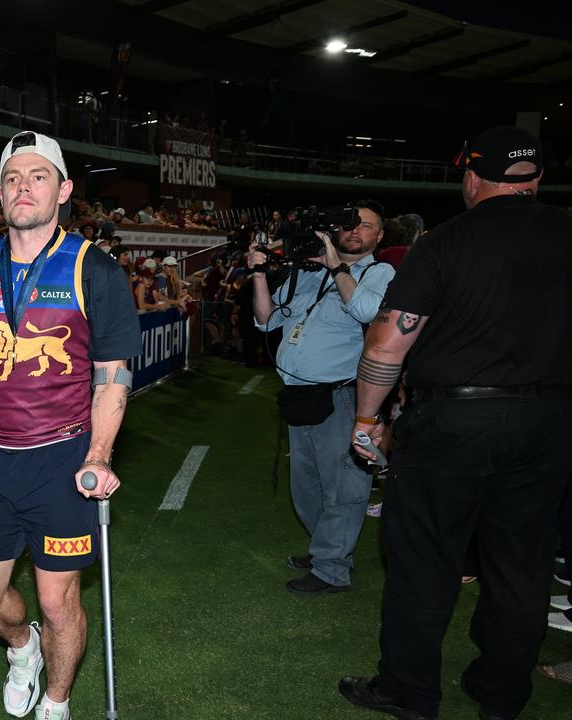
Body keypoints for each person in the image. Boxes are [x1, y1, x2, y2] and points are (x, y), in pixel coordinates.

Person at [339, 127, 572, 720]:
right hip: (548, 421)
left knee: (425, 561)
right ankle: (502, 692)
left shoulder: (444, 242)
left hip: (454, 421)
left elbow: (388, 345)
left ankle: (408, 690)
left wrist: (368, 416)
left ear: (471, 178)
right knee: (523, 563)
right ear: (536, 178)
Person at [0, 131, 140, 720]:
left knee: (58, 599)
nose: (25, 187)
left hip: (62, 462)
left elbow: (113, 377)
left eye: (39, 176)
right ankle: (24, 648)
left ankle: (58, 702)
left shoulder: (94, 269)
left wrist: (98, 455)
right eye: (14, 178)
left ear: (63, 190)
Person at [245, 199, 394, 596]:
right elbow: (265, 320)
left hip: (343, 396)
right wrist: (259, 274)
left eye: (365, 226)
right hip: (299, 395)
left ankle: (332, 568)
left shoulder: (380, 273)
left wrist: (337, 267)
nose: (354, 231)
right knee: (306, 487)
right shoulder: (308, 272)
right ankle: (326, 547)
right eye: (348, 224)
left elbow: (365, 311)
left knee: (344, 487)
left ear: (379, 236)